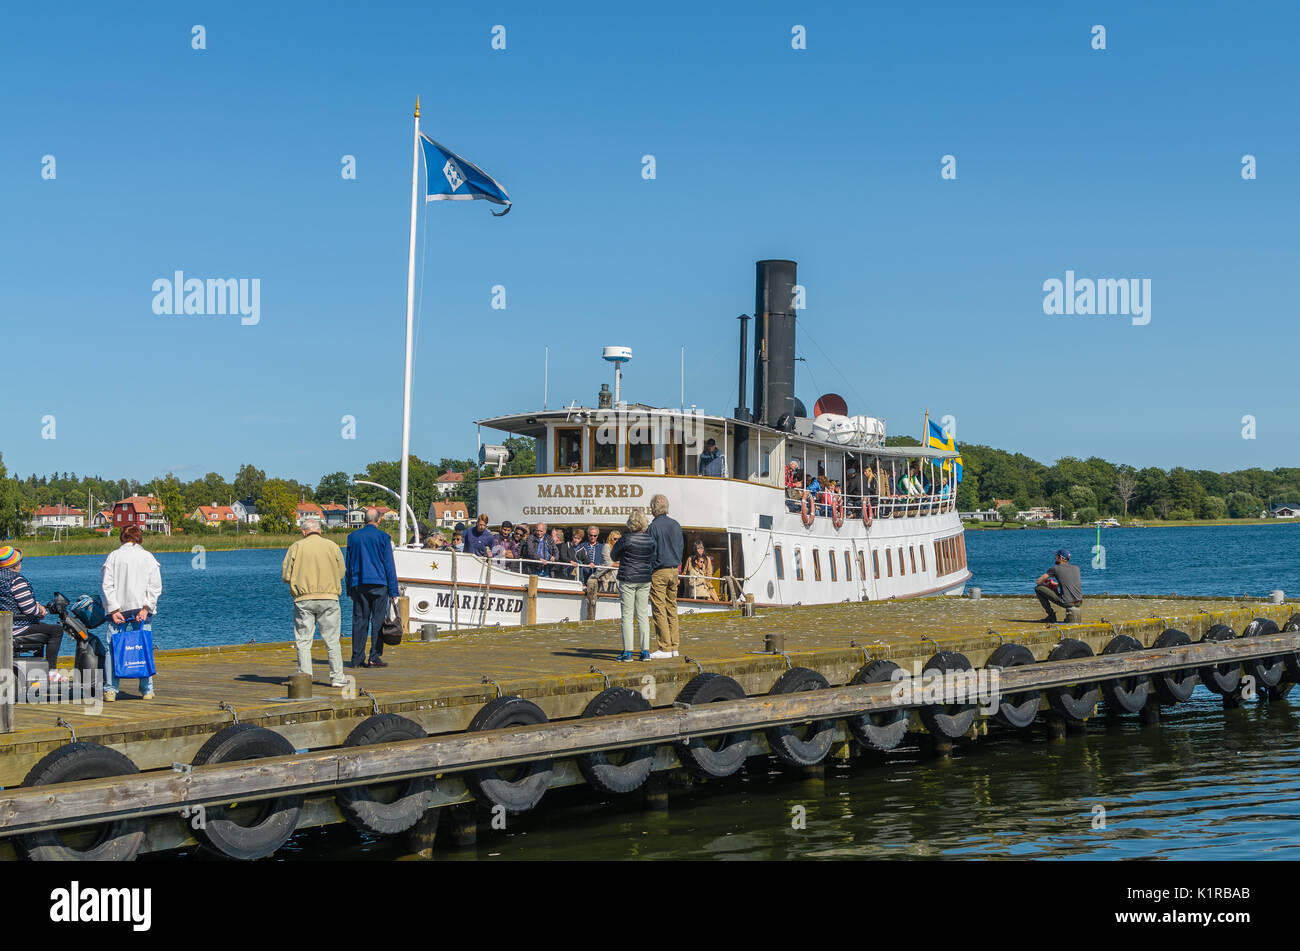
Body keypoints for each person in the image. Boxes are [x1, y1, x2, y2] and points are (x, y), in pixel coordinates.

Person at [281, 517, 347, 687]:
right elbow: (341, 572)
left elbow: (286, 575)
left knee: (303, 641)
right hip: (329, 597)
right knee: (332, 640)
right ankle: (337, 678)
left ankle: (305, 677)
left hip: (304, 599)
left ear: (304, 531)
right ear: (320, 530)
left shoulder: (296, 547)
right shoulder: (332, 546)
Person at [100, 526, 163, 700]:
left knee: (111, 648)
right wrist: (146, 607)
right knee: (143, 646)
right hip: (141, 608)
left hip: (118, 610)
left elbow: (107, 584)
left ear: (122, 537)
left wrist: (113, 609)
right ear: (139, 538)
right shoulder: (148, 557)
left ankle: (110, 689)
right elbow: (155, 585)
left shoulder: (113, 556)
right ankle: (147, 689)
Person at [0, 546, 65, 682]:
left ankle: (37, 671)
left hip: (3, 627)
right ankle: (51, 672)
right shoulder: (16, 580)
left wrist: (35, 607)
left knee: (42, 627)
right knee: (56, 630)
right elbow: (29, 610)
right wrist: (40, 611)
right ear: (15, 565)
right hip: (17, 627)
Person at [345, 507, 399, 668]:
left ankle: (356, 658)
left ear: (363, 520)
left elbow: (348, 564)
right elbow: (389, 564)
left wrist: (349, 587)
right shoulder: (383, 537)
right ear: (379, 520)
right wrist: (393, 590)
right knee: (378, 621)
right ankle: (374, 656)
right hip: (379, 583)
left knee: (359, 621)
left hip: (359, 583)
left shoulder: (353, 537)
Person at [610, 510, 655, 661]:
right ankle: (645, 652)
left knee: (627, 616)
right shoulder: (650, 540)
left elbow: (613, 556)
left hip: (628, 578)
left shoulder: (626, 539)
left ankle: (628, 652)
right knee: (643, 615)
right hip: (644, 578)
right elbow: (653, 558)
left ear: (630, 523)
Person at [647, 494, 683, 659]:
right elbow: (681, 547)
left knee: (659, 609)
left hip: (659, 570)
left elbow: (649, 551)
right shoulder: (676, 525)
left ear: (654, 508)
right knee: (672, 608)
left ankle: (664, 647)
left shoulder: (653, 527)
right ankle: (675, 647)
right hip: (674, 569)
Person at [1035, 549, 1083, 623]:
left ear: (1061, 558)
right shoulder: (1076, 568)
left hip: (1067, 602)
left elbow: (1038, 581)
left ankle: (1051, 615)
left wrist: (1047, 584)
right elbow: (1070, 582)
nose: (1055, 558)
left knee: (1038, 589)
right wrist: (1056, 584)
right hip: (1079, 601)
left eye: (1056, 556)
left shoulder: (1055, 568)